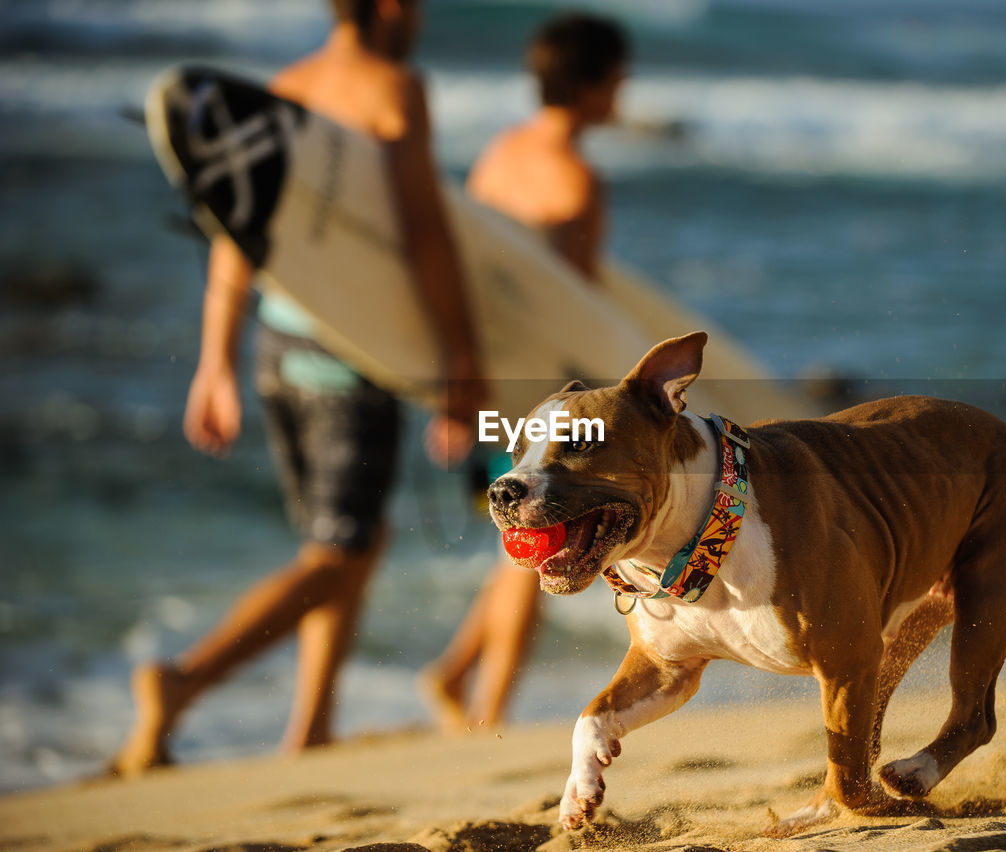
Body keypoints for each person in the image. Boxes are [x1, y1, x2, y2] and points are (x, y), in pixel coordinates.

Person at [110, 0, 485, 775]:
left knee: (349, 540)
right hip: (349, 354)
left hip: (277, 348)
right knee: (339, 552)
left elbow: (234, 231)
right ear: (388, 6)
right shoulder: (394, 87)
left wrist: (216, 362)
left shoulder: (285, 83)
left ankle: (311, 725)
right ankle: (183, 684)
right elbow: (422, 229)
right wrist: (462, 353)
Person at [419, 11, 630, 733]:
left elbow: (472, 271)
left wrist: (451, 387)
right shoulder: (577, 180)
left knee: (511, 545)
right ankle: (487, 714)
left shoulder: (500, 153)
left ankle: (452, 679)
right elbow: (572, 311)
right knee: (529, 554)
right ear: (599, 84)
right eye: (621, 80)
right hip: (532, 394)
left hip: (480, 381)